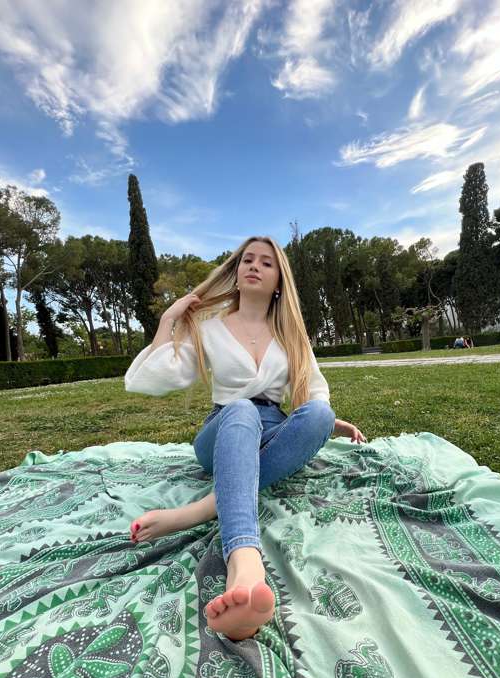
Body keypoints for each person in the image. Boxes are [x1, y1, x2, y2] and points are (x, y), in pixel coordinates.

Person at [123, 235, 367, 643]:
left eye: (266, 263)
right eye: (247, 260)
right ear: (236, 273)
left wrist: (328, 423)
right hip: (224, 428)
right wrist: (168, 321)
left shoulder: (291, 333)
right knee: (241, 408)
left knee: (320, 414)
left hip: (272, 425)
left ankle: (202, 509)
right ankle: (245, 561)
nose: (254, 266)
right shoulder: (210, 328)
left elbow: (314, 391)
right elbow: (155, 378)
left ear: (279, 281)